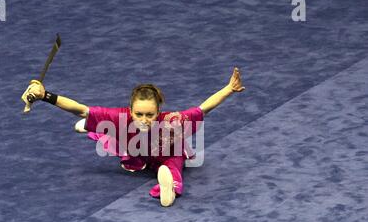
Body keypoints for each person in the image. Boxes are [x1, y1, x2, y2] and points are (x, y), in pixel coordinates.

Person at [21, 68, 245, 207]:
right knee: (112, 137)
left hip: (168, 153)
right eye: (139, 114)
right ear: (130, 110)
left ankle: (167, 186)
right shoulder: (119, 117)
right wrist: (45, 95)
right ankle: (96, 130)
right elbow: (81, 109)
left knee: (173, 168)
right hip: (136, 149)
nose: (145, 119)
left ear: (159, 112)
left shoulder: (173, 120)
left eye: (150, 114)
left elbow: (204, 108)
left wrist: (228, 89)